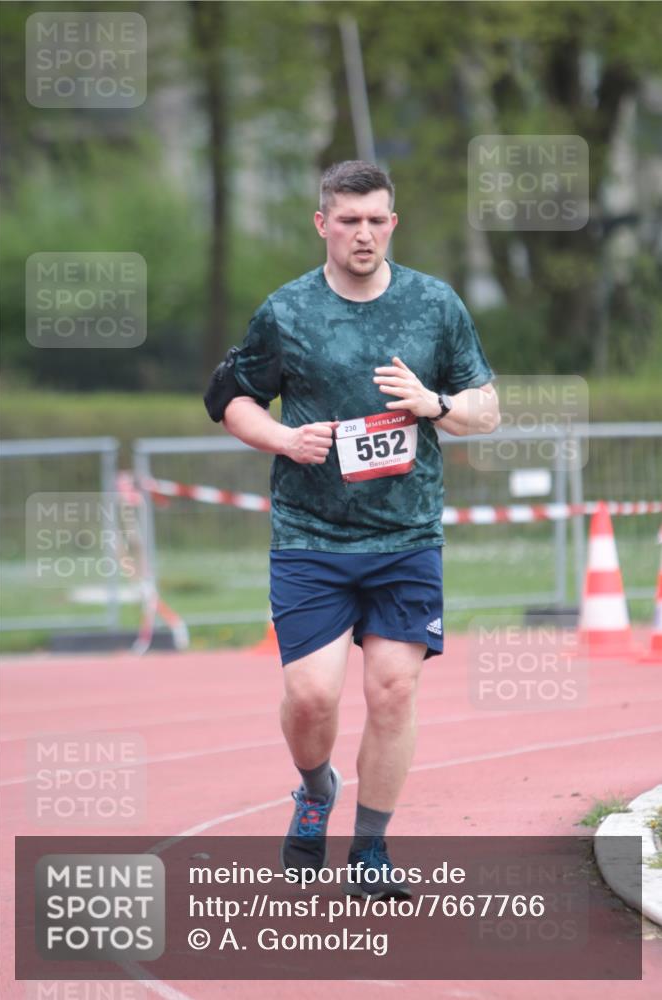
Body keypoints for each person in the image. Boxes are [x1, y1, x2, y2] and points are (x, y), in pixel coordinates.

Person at [222, 160, 500, 899]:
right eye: (348, 219)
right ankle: (315, 791)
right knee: (312, 697)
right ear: (322, 224)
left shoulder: (434, 306)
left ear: (393, 224)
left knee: (391, 691)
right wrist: (282, 440)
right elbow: (230, 400)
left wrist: (433, 403)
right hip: (311, 534)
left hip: (405, 535)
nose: (363, 232)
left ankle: (370, 849)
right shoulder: (285, 312)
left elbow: (486, 409)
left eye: (376, 218)